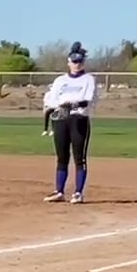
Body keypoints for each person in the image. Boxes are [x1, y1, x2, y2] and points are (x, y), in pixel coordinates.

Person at [43, 44, 95, 204]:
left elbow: (87, 101)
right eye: (74, 61)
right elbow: (53, 101)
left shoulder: (88, 79)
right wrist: (54, 110)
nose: (77, 64)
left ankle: (78, 193)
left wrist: (71, 105)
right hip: (61, 119)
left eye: (80, 61)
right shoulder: (60, 80)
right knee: (62, 157)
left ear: (83, 62)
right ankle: (59, 191)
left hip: (78, 119)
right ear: (69, 62)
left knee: (79, 158)